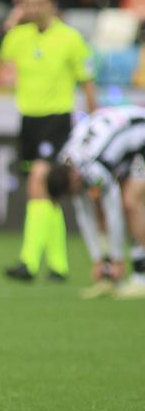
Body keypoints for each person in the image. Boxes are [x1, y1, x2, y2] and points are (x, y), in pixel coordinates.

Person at [0, 0, 97, 282]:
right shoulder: (19, 36)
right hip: (28, 121)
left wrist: (93, 121)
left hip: (56, 120)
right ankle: (58, 266)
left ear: (52, 5)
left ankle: (28, 262)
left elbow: (87, 81)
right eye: (27, 3)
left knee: (38, 183)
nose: (33, 8)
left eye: (38, 3)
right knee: (48, 195)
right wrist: (6, 26)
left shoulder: (69, 38)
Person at [46, 107, 145, 300]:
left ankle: (141, 275)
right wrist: (97, 259)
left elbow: (114, 210)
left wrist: (118, 258)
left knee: (131, 203)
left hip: (141, 136)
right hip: (122, 143)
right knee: (98, 205)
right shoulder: (67, 160)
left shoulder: (92, 168)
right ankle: (108, 276)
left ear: (73, 180)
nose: (74, 195)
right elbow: (85, 215)